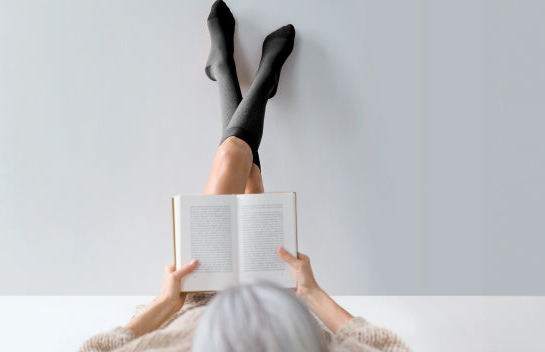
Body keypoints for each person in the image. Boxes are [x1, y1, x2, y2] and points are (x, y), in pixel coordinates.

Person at [79, 2, 410, 351]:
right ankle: (246, 78)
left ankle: (233, 73)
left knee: (234, 157)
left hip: (199, 297)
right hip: (278, 307)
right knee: (245, 170)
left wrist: (166, 303)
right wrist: (310, 295)